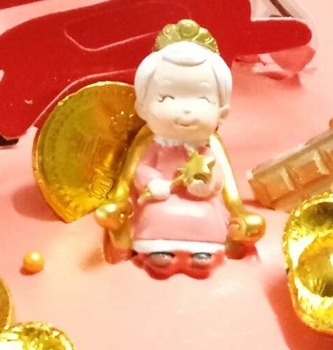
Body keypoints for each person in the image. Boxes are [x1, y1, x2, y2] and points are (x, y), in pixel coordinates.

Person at [96, 20, 263, 276]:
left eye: (202, 98)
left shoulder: (206, 148)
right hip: (159, 199)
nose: (185, 109)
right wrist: (152, 182)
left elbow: (218, 178)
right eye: (167, 98)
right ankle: (159, 248)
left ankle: (201, 250)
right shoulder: (154, 144)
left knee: (206, 215)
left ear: (222, 112)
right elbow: (141, 169)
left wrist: (204, 186)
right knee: (156, 213)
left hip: (201, 201)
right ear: (143, 108)